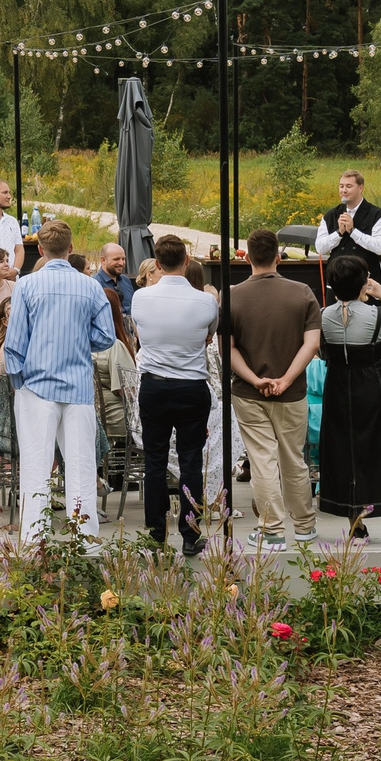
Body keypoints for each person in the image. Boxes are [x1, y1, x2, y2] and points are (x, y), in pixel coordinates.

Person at [0, 217, 116, 542]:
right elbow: (107, 336)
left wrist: (19, 380)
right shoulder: (90, 285)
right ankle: (85, 541)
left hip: (36, 386)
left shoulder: (27, 284)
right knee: (81, 467)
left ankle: (34, 542)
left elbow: (15, 342)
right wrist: (80, 341)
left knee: (37, 468)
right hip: (77, 386)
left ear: (40, 249)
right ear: (71, 247)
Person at [225, 227, 325, 553]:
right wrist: (285, 379)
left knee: (263, 461)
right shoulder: (302, 293)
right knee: (294, 460)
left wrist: (255, 379)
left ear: (248, 259)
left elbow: (227, 349)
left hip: (249, 393)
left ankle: (271, 531)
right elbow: (312, 344)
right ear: (278, 257)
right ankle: (306, 527)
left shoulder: (233, 296)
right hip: (292, 392)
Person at [314, 253, 381, 544]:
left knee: (344, 449)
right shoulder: (378, 316)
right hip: (373, 383)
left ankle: (357, 525)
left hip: (337, 385)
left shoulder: (323, 316)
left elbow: (318, 349)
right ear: (363, 283)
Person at [129, 234, 217, 554]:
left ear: (157, 262)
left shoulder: (141, 298)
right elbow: (208, 337)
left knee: (155, 461)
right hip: (191, 385)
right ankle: (190, 534)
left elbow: (140, 334)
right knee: (191, 461)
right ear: (187, 261)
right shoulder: (206, 301)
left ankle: (155, 534)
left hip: (154, 384)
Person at [318, 170, 381, 264]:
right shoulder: (331, 215)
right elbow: (320, 248)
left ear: (360, 188)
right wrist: (339, 233)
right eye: (341, 186)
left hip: (367, 274)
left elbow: (379, 247)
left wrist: (353, 231)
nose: (344, 190)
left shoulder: (377, 215)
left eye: (349, 186)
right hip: (337, 273)